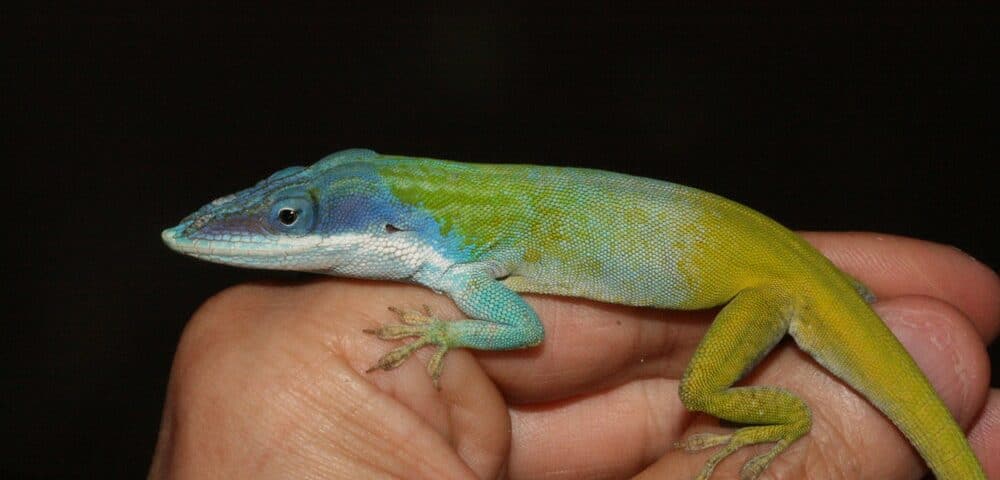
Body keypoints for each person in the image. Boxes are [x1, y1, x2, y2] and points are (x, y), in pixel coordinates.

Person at [148, 232, 998, 479]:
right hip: (785, 266)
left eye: (292, 221)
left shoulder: (454, 259)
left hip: (784, 294)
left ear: (379, 218)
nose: (267, 237)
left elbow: (522, 333)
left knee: (705, 384)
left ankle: (791, 413)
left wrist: (446, 332)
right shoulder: (454, 232)